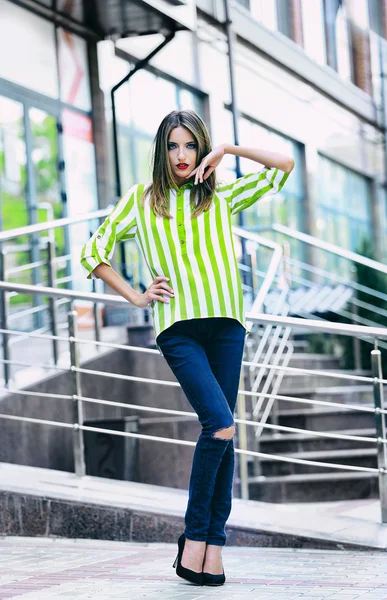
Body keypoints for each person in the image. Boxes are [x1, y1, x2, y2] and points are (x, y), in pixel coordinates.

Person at [80, 110, 294, 586]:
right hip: (177, 328)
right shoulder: (141, 200)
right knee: (218, 425)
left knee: (226, 431)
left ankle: (213, 547)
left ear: (201, 148)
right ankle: (195, 539)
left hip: (227, 326)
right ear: (162, 150)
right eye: (173, 146)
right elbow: (93, 250)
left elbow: (285, 165)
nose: (182, 155)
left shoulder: (219, 193)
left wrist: (230, 151)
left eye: (191, 146)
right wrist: (136, 296)